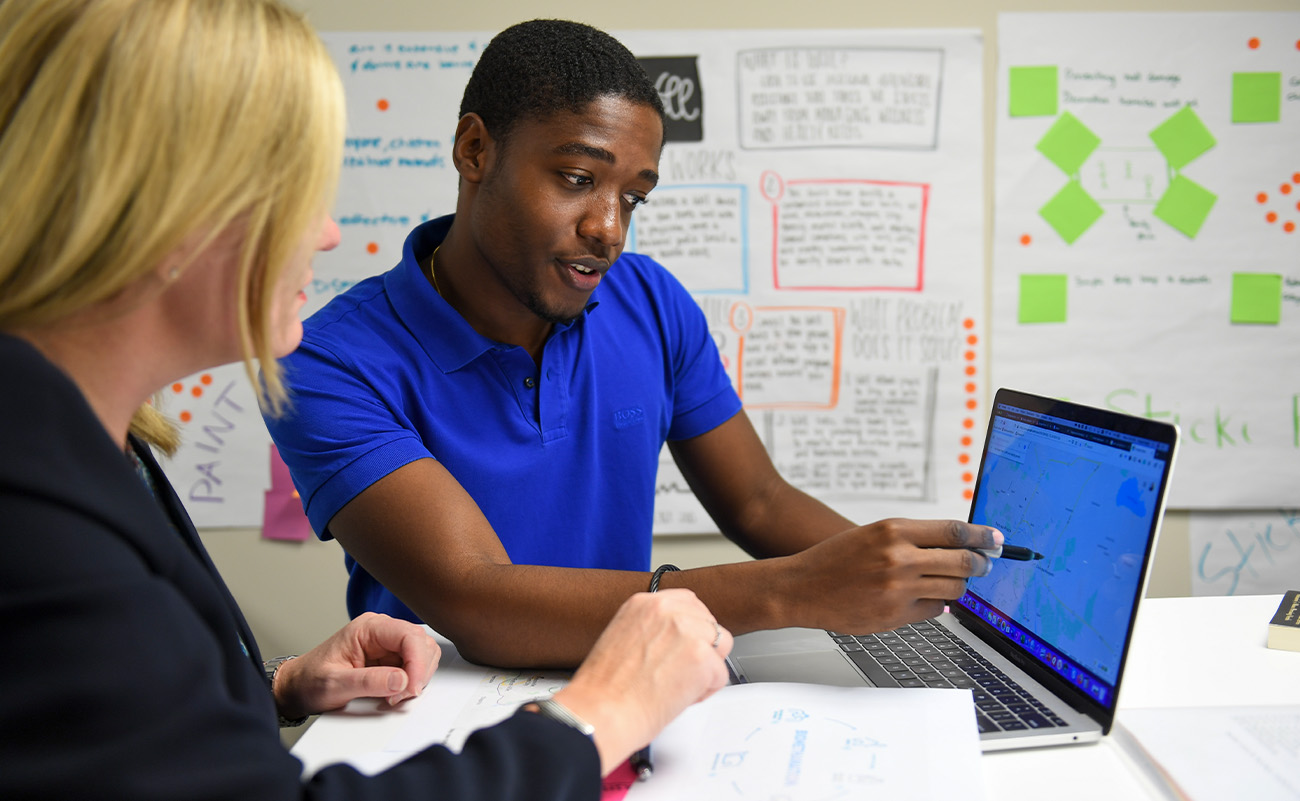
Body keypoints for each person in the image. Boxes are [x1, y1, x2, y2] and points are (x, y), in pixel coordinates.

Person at [0, 1, 733, 798]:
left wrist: (272, 684)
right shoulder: (29, 503)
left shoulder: (88, 446)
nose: (322, 232)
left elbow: (96, 725)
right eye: (289, 189)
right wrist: (597, 716)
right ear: (147, 198)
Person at [264, 18, 1004, 671]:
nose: (609, 228)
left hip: (632, 695)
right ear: (474, 149)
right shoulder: (327, 359)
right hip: (439, 734)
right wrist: (792, 589)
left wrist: (922, 591)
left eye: (633, 197)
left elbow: (758, 498)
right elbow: (475, 594)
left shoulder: (649, 301)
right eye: (578, 178)